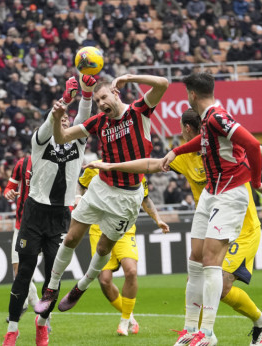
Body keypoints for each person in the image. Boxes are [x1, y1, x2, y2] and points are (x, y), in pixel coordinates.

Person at [84, 107, 262, 345]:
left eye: (181, 128)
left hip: (241, 228)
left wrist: (251, 164)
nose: (179, 133)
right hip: (211, 224)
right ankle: (198, 332)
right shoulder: (183, 157)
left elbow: (258, 149)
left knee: (219, 284)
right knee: (201, 280)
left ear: (188, 128)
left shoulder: (221, 146)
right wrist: (111, 165)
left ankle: (253, 324)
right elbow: (150, 165)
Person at [34, 74, 168, 322]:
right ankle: (51, 288)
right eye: (96, 101)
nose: (101, 104)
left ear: (116, 93)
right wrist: (56, 117)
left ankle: (81, 287)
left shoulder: (139, 111)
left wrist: (129, 77)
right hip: (100, 189)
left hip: (127, 198)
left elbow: (163, 83)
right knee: (72, 236)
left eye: (103, 97)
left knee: (105, 248)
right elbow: (62, 137)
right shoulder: (98, 122)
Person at [2, 74, 97, 346]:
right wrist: (63, 102)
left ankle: (41, 324)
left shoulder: (78, 144)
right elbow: (49, 123)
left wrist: (87, 94)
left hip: (59, 216)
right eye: (61, 120)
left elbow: (84, 117)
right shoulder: (40, 142)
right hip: (34, 214)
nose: (66, 122)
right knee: (25, 271)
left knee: (54, 277)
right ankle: (12, 329)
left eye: (69, 121)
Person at [78, 162, 169, 336]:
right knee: (104, 280)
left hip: (124, 229)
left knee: (131, 271)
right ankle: (131, 317)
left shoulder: (136, 171)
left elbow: (145, 199)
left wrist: (158, 219)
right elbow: (80, 186)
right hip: (98, 230)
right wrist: (78, 199)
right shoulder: (93, 168)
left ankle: (124, 321)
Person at [3, 154, 39, 320]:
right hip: (21, 226)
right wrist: (8, 193)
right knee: (19, 273)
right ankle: (40, 312)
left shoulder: (55, 161)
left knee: (49, 276)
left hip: (44, 228)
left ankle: (40, 313)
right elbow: (9, 187)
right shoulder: (22, 163)